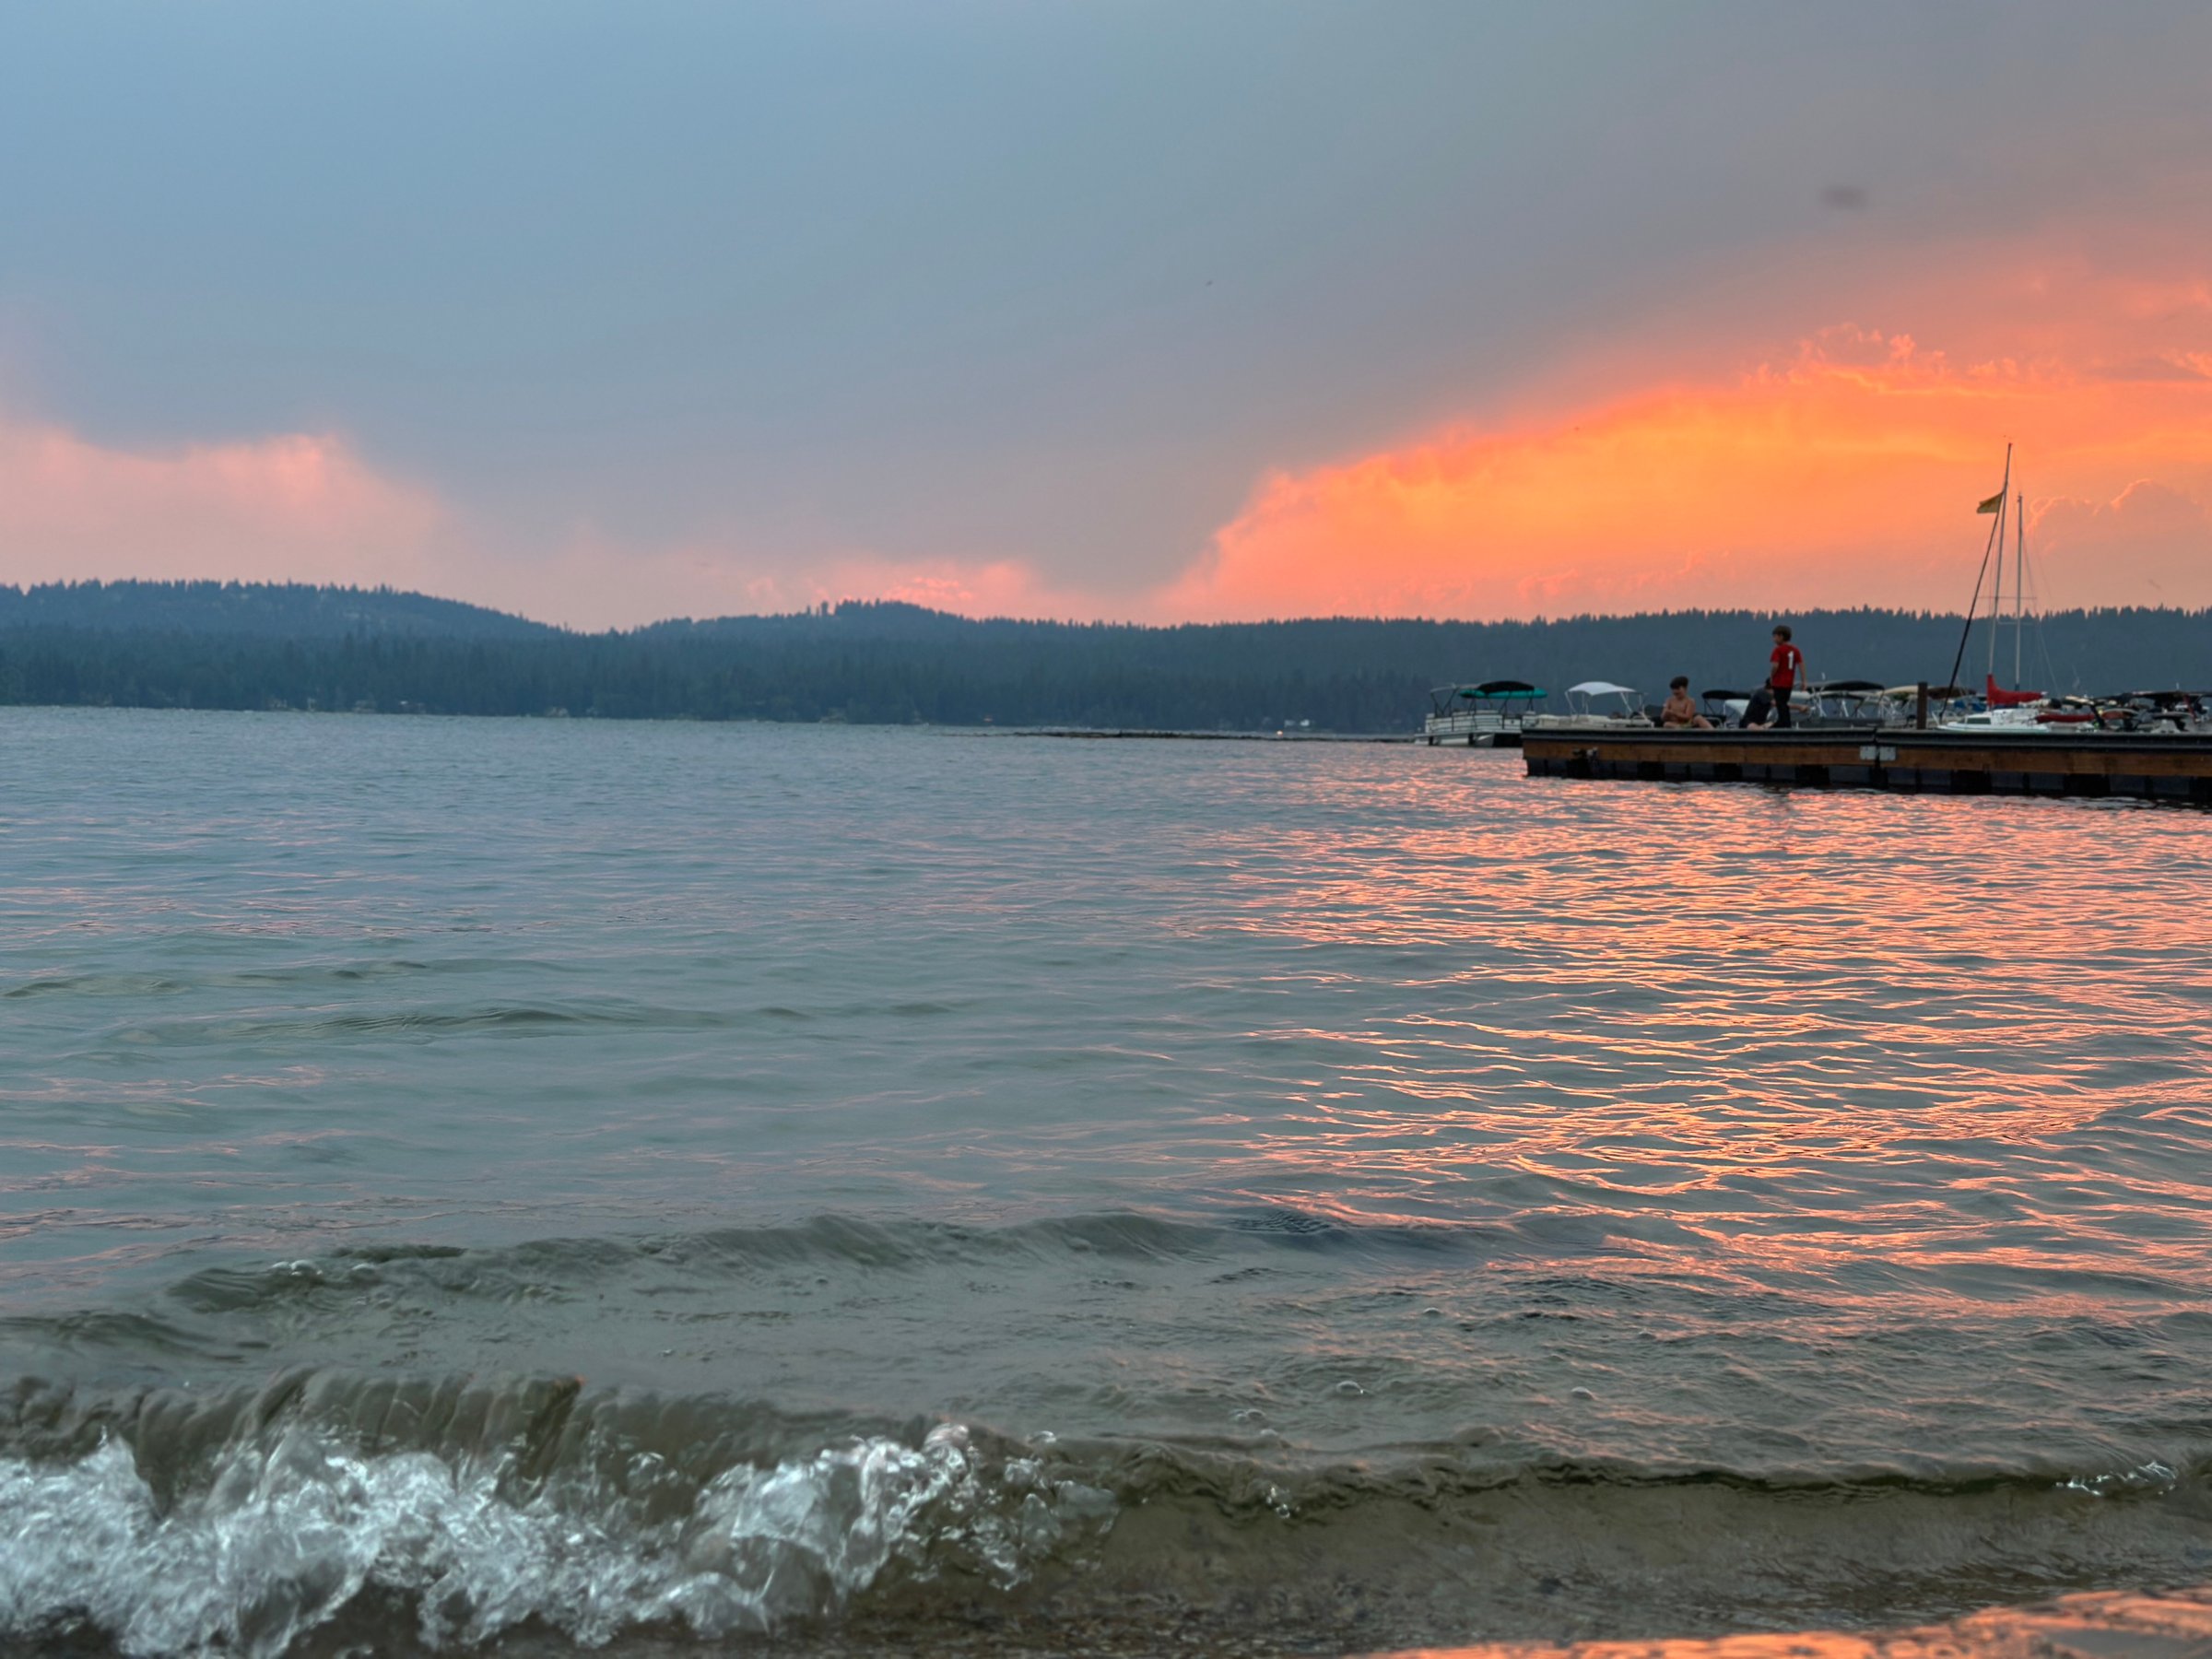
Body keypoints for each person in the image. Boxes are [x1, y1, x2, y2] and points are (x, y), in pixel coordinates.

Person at [1765, 624, 1805, 729]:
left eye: (1775, 636)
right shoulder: (1795, 650)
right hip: (1789, 683)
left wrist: (1771, 675)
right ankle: (1784, 723)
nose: (1773, 639)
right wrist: (1804, 681)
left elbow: (1775, 665)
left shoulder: (1778, 650)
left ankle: (1784, 724)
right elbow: (1801, 665)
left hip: (1778, 683)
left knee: (1780, 704)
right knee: (1784, 704)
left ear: (1781, 636)